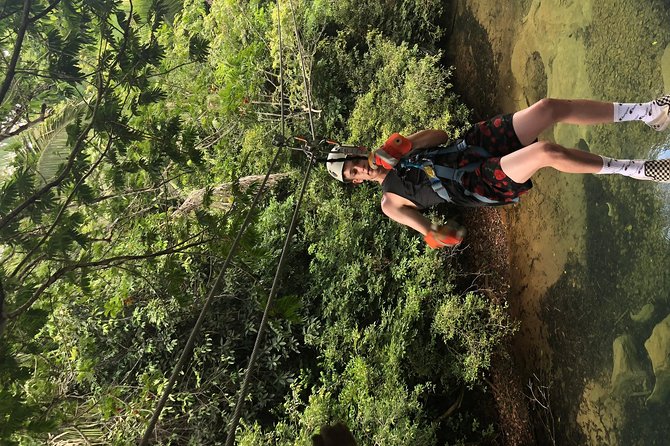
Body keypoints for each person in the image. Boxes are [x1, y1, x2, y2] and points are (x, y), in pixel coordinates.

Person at [327, 96, 670, 248]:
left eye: (353, 165)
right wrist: (436, 233)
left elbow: (440, 137)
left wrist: (401, 146)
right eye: (352, 177)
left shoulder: (391, 151)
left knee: (548, 108)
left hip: (470, 144)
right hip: (475, 182)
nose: (358, 173)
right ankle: (634, 169)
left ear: (357, 152)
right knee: (544, 151)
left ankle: (647, 112)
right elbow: (424, 226)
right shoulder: (389, 201)